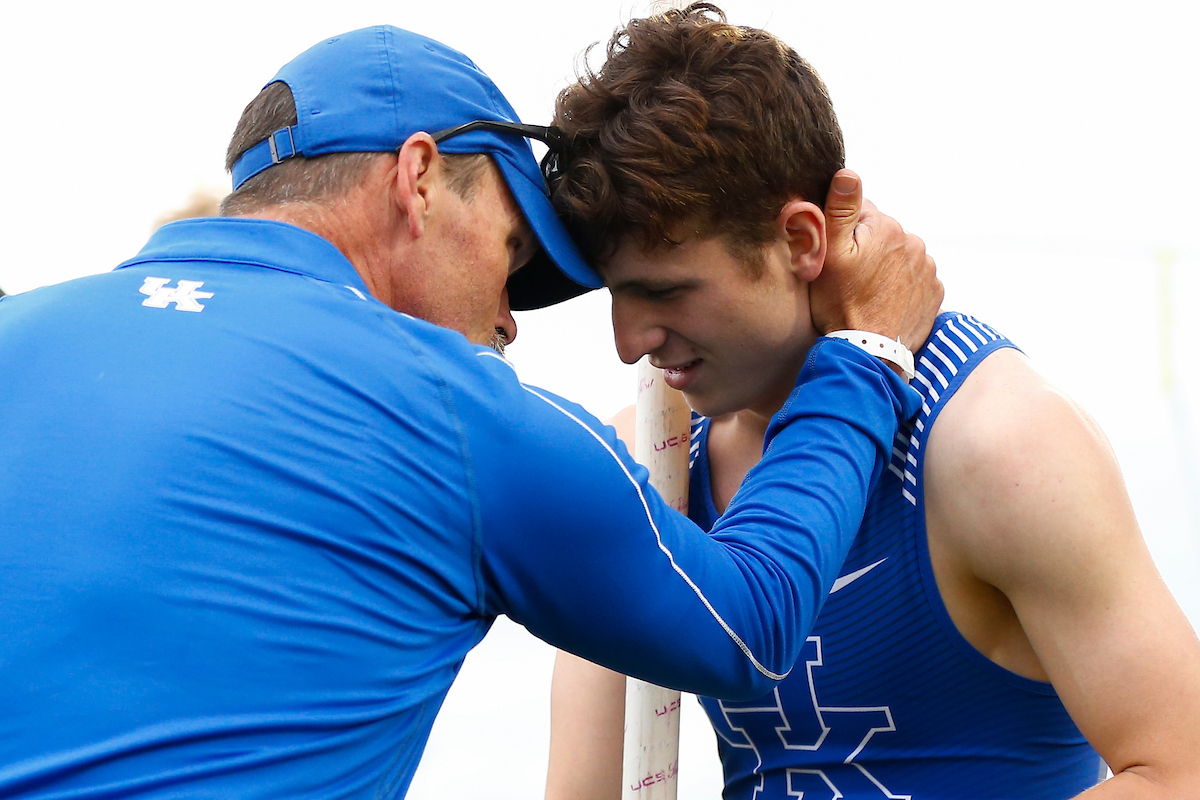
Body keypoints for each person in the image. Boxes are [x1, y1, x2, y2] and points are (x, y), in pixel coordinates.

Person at [0, 24, 942, 800]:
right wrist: (867, 356)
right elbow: (753, 621)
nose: (505, 323)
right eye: (510, 250)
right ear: (416, 179)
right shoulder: (457, 411)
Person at [543, 5, 1200, 800]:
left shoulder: (998, 446)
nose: (629, 341)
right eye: (616, 294)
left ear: (801, 241)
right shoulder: (641, 475)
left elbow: (1178, 771)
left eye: (666, 291)